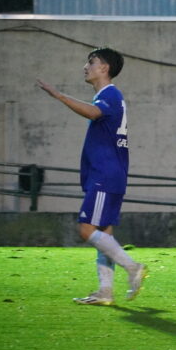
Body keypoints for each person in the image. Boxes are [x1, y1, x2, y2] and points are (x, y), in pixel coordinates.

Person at [37, 47, 147, 306]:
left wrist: (58, 95)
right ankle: (105, 292)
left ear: (104, 68)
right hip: (111, 175)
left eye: (91, 62)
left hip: (104, 176)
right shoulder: (108, 96)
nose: (85, 67)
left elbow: (93, 113)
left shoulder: (109, 94)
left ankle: (133, 268)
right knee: (103, 233)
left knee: (86, 229)